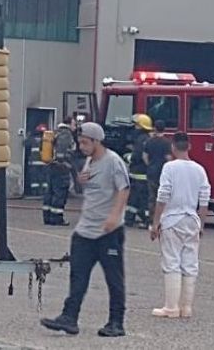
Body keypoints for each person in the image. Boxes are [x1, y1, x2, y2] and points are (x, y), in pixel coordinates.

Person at [40, 122, 130, 338]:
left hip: (108, 232)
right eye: (80, 142)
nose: (81, 146)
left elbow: (124, 189)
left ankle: (116, 322)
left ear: (97, 141)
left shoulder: (113, 162)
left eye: (85, 142)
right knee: (78, 276)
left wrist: (114, 216)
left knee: (114, 279)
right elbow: (91, 188)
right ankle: (69, 317)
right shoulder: (90, 161)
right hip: (85, 231)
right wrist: (81, 180)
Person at [150, 132, 210, 319]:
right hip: (192, 219)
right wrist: (201, 223)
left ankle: (171, 307)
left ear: (173, 147)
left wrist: (155, 222)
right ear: (189, 146)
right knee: (190, 263)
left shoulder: (169, 167)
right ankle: (187, 307)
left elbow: (162, 196)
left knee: (171, 262)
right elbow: (204, 199)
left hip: (172, 219)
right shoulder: (200, 169)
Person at [42, 118, 74, 226]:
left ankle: (47, 216)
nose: (76, 126)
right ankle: (57, 218)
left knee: (50, 192)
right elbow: (62, 151)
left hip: (51, 167)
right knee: (60, 193)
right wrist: (64, 164)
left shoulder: (55, 132)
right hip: (61, 168)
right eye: (74, 124)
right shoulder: (66, 134)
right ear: (69, 124)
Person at [125, 113, 151, 228]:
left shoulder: (141, 139)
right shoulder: (147, 138)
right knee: (134, 198)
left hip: (139, 173)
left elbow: (137, 156)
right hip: (142, 174)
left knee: (139, 199)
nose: (134, 127)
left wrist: (127, 157)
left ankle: (145, 220)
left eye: (136, 125)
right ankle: (129, 219)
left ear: (141, 127)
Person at [145, 120, 172, 223]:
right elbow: (168, 157)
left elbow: (145, 156)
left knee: (152, 197)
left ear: (155, 128)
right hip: (162, 173)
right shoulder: (167, 142)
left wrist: (150, 165)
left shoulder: (149, 141)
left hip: (151, 172)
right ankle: (162, 218)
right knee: (163, 197)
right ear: (164, 129)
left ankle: (151, 218)